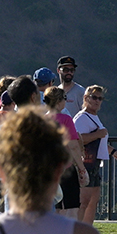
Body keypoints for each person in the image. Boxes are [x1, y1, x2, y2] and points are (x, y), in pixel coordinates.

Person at [41, 87, 86, 216]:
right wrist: (82, 168)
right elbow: (73, 146)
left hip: (47, 168)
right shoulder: (66, 119)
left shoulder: (42, 120)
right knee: (71, 207)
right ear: (59, 101)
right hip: (65, 168)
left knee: (54, 206)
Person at [71, 86, 112, 224]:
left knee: (92, 202)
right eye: (94, 97)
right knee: (83, 202)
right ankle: (77, 233)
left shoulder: (94, 117)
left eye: (100, 98)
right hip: (85, 164)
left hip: (94, 164)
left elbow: (100, 141)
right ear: (85, 98)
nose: (97, 101)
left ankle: (87, 232)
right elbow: (77, 139)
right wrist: (97, 134)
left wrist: (113, 151)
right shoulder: (82, 118)